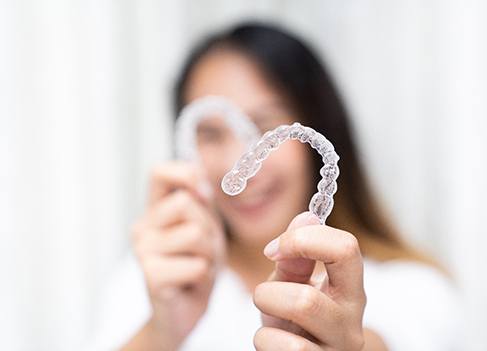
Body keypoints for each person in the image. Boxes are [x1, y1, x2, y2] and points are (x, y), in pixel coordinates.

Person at [93, 22, 461, 351]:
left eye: (266, 125)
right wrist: (162, 331)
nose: (240, 163)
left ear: (317, 129)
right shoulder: (147, 282)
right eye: (210, 134)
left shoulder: (414, 292)